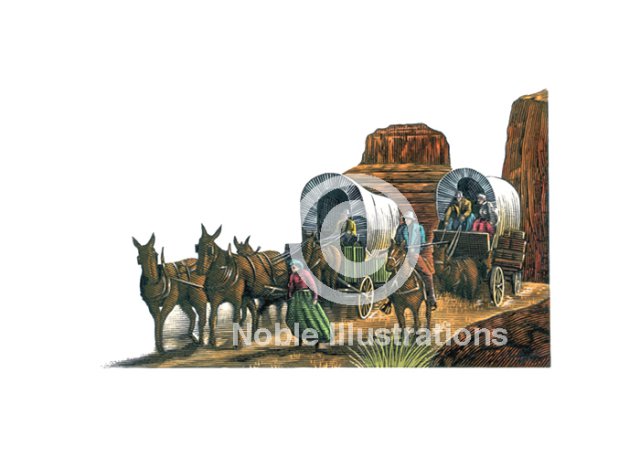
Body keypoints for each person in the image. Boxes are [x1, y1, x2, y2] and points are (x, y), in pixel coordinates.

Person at [286, 259, 332, 350]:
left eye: (294, 265)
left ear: (299, 266)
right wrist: (290, 296)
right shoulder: (293, 275)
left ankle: (317, 342)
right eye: (291, 266)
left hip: (307, 297)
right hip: (297, 298)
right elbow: (291, 288)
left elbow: (313, 286)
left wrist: (315, 298)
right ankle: (300, 341)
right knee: (296, 318)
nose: (292, 267)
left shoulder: (306, 273)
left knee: (312, 319)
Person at [396, 211, 438, 310]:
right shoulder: (401, 228)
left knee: (427, 273)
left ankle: (431, 297)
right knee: (391, 270)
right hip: (401, 254)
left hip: (414, 254)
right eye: (405, 219)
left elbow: (422, 243)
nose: (406, 220)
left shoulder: (419, 228)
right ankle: (389, 299)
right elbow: (397, 240)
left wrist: (414, 249)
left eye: (408, 219)